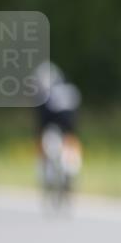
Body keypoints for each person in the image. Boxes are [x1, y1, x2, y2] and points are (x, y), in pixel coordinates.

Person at [33, 61, 83, 190]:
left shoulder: (45, 96)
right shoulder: (70, 89)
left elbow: (42, 122)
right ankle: (70, 171)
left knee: (44, 141)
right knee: (72, 141)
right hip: (69, 125)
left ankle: (47, 174)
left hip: (53, 125)